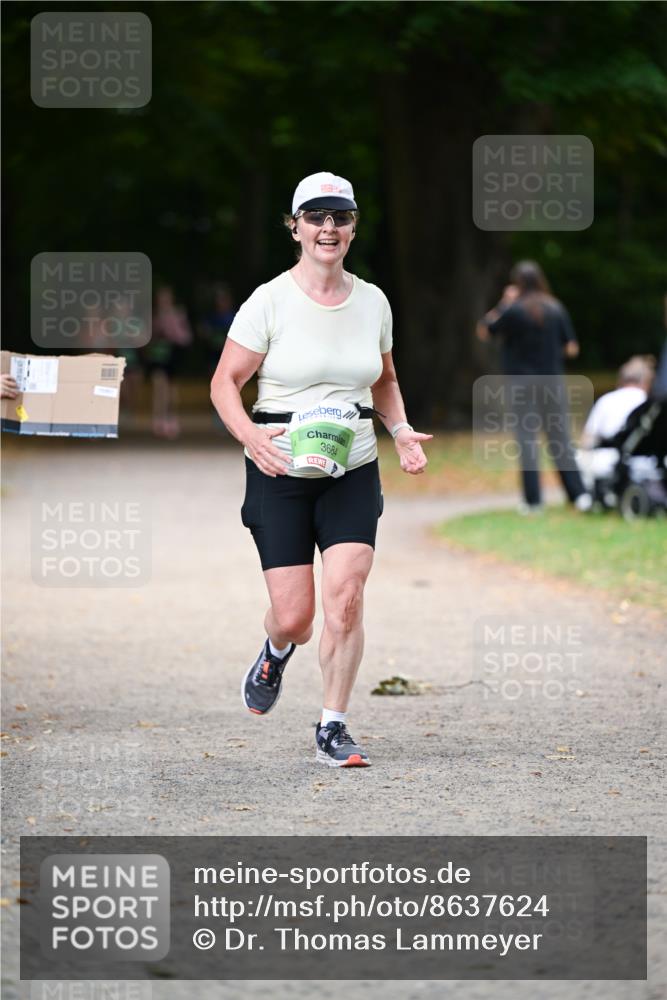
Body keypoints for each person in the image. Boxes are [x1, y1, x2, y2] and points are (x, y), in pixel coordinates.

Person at [210, 171, 432, 768]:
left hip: (352, 465)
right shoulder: (270, 300)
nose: (327, 228)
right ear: (296, 227)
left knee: (347, 598)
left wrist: (401, 431)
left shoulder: (374, 301)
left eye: (339, 217)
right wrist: (251, 436)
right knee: (297, 615)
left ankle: (333, 725)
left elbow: (383, 379)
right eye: (315, 217)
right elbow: (225, 383)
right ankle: (276, 648)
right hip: (279, 468)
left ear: (354, 227)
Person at [476, 260, 591, 513]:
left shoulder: (514, 310)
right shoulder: (555, 308)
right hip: (552, 382)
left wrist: (504, 303)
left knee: (527, 441)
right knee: (560, 439)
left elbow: (484, 330)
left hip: (521, 384)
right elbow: (572, 347)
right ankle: (579, 495)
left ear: (517, 283)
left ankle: (533, 501)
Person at [577, 355, 655, 499]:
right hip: (646, 464)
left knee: (578, 456)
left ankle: (587, 498)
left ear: (621, 379)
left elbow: (587, 439)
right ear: (646, 381)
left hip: (608, 461)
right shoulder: (650, 405)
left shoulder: (606, 400)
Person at [144, 285, 192, 439]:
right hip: (158, 357)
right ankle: (158, 419)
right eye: (161, 299)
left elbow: (186, 338)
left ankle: (171, 418)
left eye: (166, 299)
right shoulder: (153, 317)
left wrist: (172, 331)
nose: (163, 302)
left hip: (173, 356)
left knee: (171, 391)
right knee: (159, 386)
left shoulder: (179, 315)